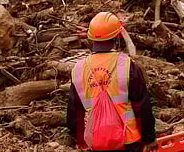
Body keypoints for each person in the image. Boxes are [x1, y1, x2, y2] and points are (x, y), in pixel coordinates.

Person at [67, 12, 156, 151]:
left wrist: (79, 140)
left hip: (97, 140)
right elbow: (142, 106)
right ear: (117, 36)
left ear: (91, 38)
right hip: (128, 140)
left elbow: (74, 111)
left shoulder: (78, 69)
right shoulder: (127, 65)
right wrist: (149, 138)